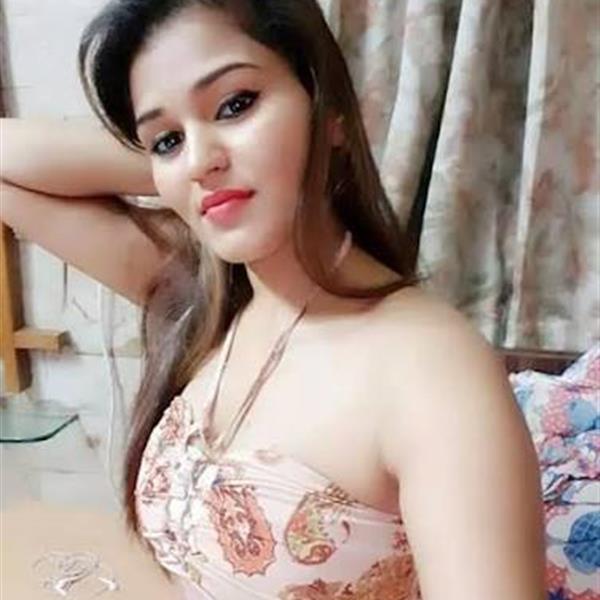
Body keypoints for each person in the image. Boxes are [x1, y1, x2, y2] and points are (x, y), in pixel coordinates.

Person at [0, 0, 547, 598]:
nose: (200, 157)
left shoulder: (432, 370)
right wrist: (182, 168)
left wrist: (198, 155)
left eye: (236, 104)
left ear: (331, 110)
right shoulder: (204, 296)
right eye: (166, 139)